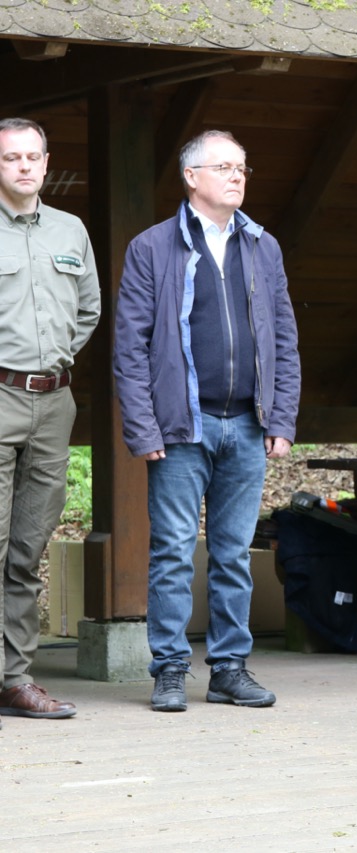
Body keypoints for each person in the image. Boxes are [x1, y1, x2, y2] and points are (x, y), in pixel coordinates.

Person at [115, 130, 301, 712]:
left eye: (242, 167)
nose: (237, 175)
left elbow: (284, 338)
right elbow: (130, 346)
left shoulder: (263, 246)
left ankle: (228, 670)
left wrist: (282, 418)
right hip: (181, 427)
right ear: (191, 177)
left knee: (234, 554)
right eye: (224, 167)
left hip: (247, 423)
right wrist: (143, 427)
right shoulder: (152, 247)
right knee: (172, 552)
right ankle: (170, 670)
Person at [0, 118, 100, 724]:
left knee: (26, 549)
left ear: (45, 161)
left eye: (32, 157)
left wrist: (50, 362)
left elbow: (87, 311)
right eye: (11, 157)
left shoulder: (71, 230)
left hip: (53, 404)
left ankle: (13, 679)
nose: (24, 166)